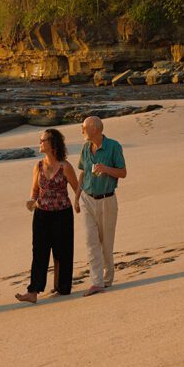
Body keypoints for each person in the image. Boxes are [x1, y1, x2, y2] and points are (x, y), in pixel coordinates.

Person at [15, 129, 80, 304]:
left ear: (52, 144)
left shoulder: (65, 166)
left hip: (62, 214)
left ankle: (62, 287)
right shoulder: (38, 166)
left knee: (63, 252)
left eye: (42, 140)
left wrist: (77, 202)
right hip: (41, 214)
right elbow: (35, 190)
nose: (40, 143)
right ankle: (33, 291)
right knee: (39, 253)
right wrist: (31, 201)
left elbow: (77, 188)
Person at [76, 116, 127, 296]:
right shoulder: (85, 148)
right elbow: (82, 173)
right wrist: (76, 198)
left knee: (106, 243)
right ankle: (96, 282)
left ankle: (107, 279)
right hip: (87, 198)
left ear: (95, 129)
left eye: (84, 128)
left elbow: (123, 172)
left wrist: (105, 169)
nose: (81, 131)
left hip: (107, 200)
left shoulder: (114, 146)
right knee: (91, 241)